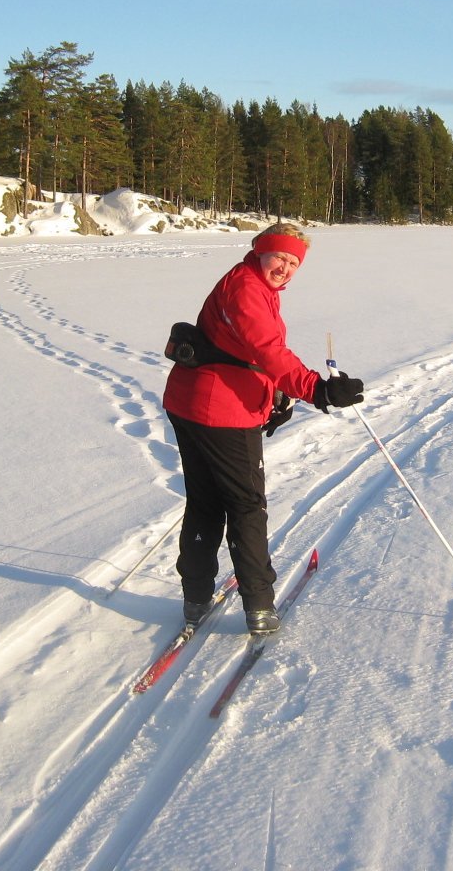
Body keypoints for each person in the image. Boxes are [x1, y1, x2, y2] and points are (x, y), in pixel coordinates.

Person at [162, 222, 364, 635]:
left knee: (204, 503)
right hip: (221, 412)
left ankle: (195, 598)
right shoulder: (248, 289)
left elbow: (245, 353)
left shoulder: (253, 284)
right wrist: (317, 391)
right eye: (280, 257)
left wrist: (274, 395)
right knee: (245, 505)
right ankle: (258, 605)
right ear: (260, 250)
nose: (286, 268)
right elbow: (267, 349)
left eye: (294, 262)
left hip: (193, 402)